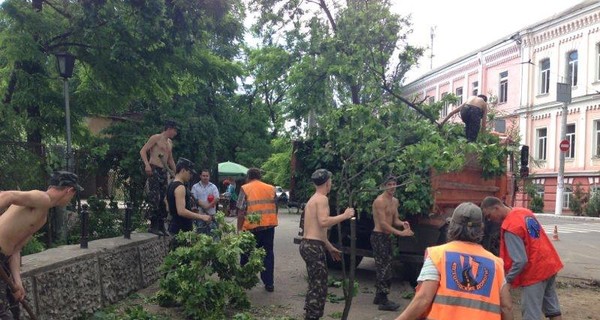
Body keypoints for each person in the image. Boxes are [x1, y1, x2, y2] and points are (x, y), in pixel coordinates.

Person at [395, 202, 514, 320]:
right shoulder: (496, 263)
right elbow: (506, 307)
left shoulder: (438, 255)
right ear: (481, 228)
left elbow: (423, 299)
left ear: (451, 225)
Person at [0, 171, 83, 319]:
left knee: (14, 309)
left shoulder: (42, 217)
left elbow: (15, 249)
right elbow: (6, 196)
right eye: (74, 194)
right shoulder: (41, 198)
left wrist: (17, 282)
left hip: (3, 260)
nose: (71, 199)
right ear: (69, 190)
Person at [481, 197, 563, 320]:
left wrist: (507, 281)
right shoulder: (524, 212)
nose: (489, 220)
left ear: (496, 208)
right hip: (549, 264)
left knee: (531, 314)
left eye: (488, 215)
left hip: (535, 272)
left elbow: (520, 261)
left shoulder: (510, 226)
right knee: (553, 309)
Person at [300, 169, 355, 320]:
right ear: (327, 182)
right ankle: (312, 316)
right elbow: (323, 222)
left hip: (309, 244)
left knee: (315, 283)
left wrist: (329, 247)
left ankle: (310, 313)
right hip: (313, 246)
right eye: (331, 180)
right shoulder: (322, 199)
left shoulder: (313, 199)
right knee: (319, 286)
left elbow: (316, 229)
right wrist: (345, 215)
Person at [371, 175, 415, 311]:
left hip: (388, 237)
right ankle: (383, 301)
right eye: (389, 184)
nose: (392, 187)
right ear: (384, 186)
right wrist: (401, 233)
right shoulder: (380, 201)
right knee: (383, 268)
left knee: (388, 265)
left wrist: (403, 223)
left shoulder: (395, 201)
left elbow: (394, 220)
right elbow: (383, 224)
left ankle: (379, 296)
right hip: (379, 236)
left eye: (394, 184)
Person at [237, 168, 278, 292]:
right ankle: (269, 283)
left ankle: (244, 280)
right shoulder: (271, 188)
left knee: (246, 253)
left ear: (248, 177)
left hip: (251, 229)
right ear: (260, 177)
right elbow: (275, 207)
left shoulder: (245, 188)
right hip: (268, 227)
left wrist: (239, 229)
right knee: (267, 254)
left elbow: (241, 211)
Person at [139, 120, 178, 235]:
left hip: (163, 171)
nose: (175, 133)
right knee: (155, 197)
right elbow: (143, 151)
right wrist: (147, 165)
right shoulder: (156, 138)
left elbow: (170, 159)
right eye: (174, 130)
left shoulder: (170, 142)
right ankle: (153, 225)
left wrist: (175, 172)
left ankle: (161, 225)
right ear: (169, 129)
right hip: (154, 168)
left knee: (163, 199)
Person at [167, 158, 212, 246]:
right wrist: (201, 217)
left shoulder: (171, 185)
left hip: (174, 227)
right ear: (183, 170)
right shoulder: (180, 187)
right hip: (181, 230)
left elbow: (168, 206)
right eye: (189, 172)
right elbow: (181, 211)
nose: (190, 176)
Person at [191, 169, 220, 235]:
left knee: (214, 235)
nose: (205, 177)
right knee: (200, 235)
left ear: (209, 177)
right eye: (203, 176)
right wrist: (204, 205)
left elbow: (217, 198)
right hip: (200, 216)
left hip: (211, 216)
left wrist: (207, 206)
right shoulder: (195, 187)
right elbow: (194, 199)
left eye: (207, 176)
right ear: (200, 176)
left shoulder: (213, 187)